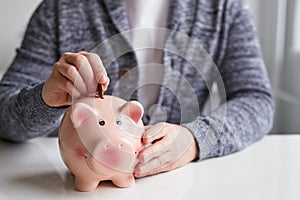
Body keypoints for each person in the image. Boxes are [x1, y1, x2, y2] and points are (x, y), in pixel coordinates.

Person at [0, 0, 274, 178]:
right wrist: (45, 99)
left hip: (180, 183)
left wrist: (195, 139)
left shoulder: (225, 8)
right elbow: (4, 115)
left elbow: (256, 100)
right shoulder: (60, 9)